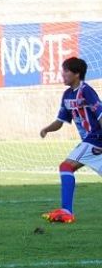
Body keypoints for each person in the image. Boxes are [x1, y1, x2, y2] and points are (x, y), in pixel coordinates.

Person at [40, 57, 102, 223]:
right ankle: (66, 210)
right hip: (91, 140)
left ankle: (66, 210)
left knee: (66, 166)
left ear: (77, 74)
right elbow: (60, 122)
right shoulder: (67, 95)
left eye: (66, 70)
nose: (63, 74)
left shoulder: (86, 91)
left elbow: (100, 115)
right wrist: (47, 129)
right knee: (67, 166)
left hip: (95, 138)